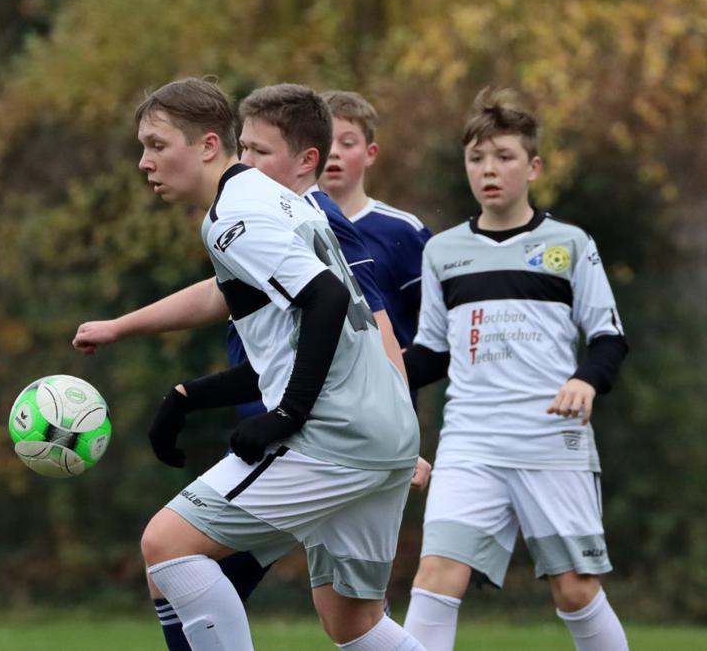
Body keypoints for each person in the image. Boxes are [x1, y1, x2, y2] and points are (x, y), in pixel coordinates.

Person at [74, 83, 430, 649]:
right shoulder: (277, 199)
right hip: (385, 429)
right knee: (353, 622)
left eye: (157, 145)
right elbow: (243, 302)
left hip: (334, 435)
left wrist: (286, 414)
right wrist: (177, 384)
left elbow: (327, 300)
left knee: (167, 545)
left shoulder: (235, 214)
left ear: (207, 145)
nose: (144, 161)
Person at [400, 87, 629, 651]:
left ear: (533, 166)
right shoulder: (443, 251)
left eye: (504, 156)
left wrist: (585, 380)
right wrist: (367, 384)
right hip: (470, 442)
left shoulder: (570, 244)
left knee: (574, 590)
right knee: (435, 575)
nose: (489, 170)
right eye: (476, 158)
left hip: (552, 440)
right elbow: (431, 354)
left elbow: (609, 338)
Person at [319, 91, 432, 351]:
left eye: (347, 143)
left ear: (370, 153)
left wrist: (411, 361)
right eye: (325, 141)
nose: (334, 152)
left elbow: (442, 316)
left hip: (385, 377)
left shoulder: (402, 230)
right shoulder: (289, 226)